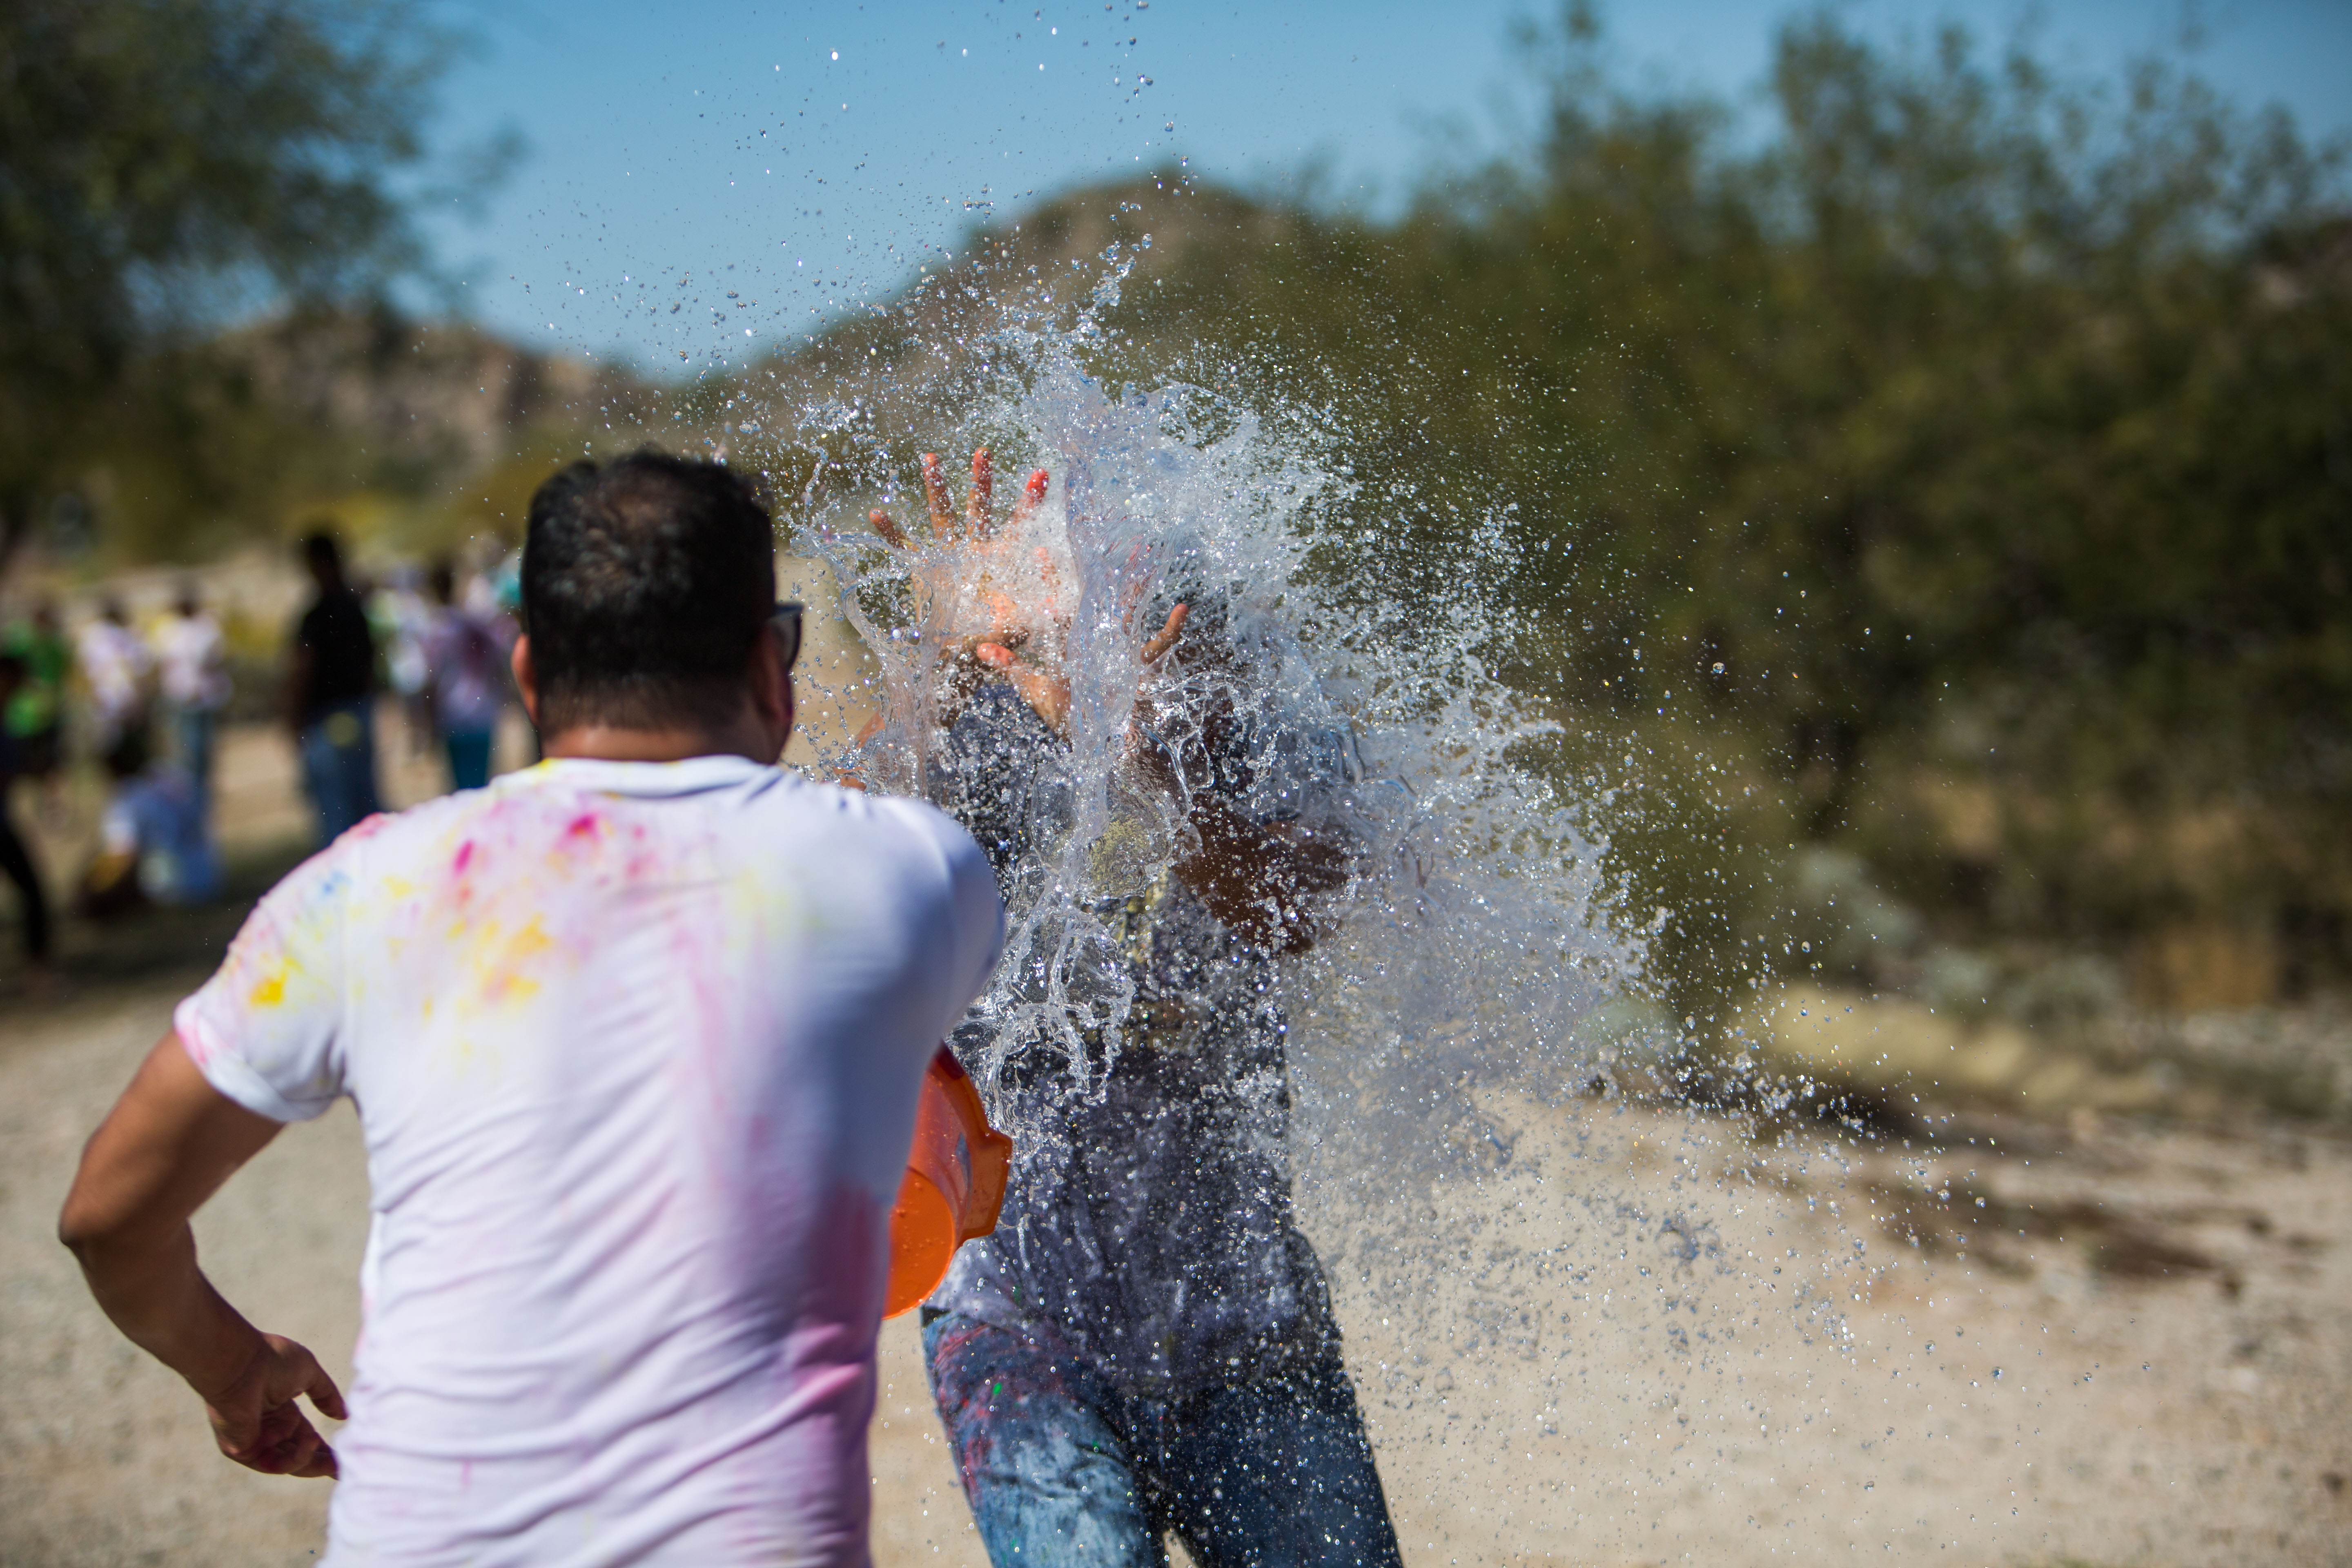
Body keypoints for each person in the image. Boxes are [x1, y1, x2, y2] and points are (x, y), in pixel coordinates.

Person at [57, 450, 1007, 1566]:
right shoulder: (906, 875)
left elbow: (108, 1215)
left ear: (525, 672)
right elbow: (931, 836)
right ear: (770, 663)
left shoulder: (369, 889)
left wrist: (232, 1370)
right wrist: (956, 661)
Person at [863, 451, 1402, 1568]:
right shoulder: (977, 712)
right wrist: (929, 673)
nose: (1130, 646)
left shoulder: (1260, 715)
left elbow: (1304, 907)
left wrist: (1148, 778)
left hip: (1248, 1324)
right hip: (1015, 1326)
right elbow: (855, 887)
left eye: (1163, 617)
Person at [284, 530, 381, 844]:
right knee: (364, 801)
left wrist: (293, 715)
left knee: (336, 808)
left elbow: (303, 667)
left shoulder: (316, 616)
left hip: (327, 718)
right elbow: (371, 662)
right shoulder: (356, 608)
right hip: (358, 711)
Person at [77, 726, 222, 917]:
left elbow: (122, 857)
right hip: (208, 876)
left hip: (169, 889)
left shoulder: (126, 799)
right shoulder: (172, 773)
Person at [420, 559, 514, 791]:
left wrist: (428, 719)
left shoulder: (435, 628)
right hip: (482, 712)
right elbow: (498, 663)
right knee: (479, 783)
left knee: (461, 786)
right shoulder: (474, 625)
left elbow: (431, 679)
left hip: (452, 714)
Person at [151, 582, 232, 813]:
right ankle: (189, 794)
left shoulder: (207, 626)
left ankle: (202, 792)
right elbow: (162, 664)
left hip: (204, 699)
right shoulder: (167, 630)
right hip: (179, 699)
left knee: (202, 750)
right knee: (184, 751)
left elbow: (218, 658)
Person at [0, 652, 55, 992]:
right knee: (33, 892)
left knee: (33, 892)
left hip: (3, 825)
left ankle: (38, 967)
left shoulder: (7, 719)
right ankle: (38, 969)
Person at [3, 599, 70, 806]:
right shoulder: (20, 644)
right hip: (21, 719)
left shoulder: (56, 648)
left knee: (50, 766)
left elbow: (64, 676)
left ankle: (52, 806)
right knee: (20, 767)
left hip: (48, 716)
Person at [78, 597, 154, 754]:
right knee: (109, 745)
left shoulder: (132, 634)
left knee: (131, 745)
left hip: (128, 700)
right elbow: (87, 670)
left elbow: (141, 667)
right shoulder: (94, 636)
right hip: (106, 699)